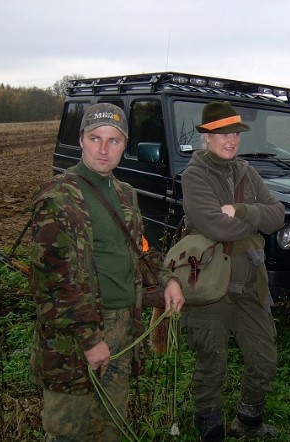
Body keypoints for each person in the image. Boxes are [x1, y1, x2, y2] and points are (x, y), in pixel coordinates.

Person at [29, 103, 185, 441]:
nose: (104, 149)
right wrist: (90, 340)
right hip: (77, 335)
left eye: (113, 140)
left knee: (111, 425)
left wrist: (168, 279)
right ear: (81, 140)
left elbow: (140, 250)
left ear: (124, 145)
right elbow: (53, 284)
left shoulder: (126, 195)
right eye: (95, 138)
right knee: (68, 430)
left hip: (123, 326)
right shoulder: (59, 197)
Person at [181, 101, 285, 440]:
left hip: (249, 282)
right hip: (210, 283)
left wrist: (241, 210)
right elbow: (216, 227)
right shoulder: (195, 174)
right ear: (207, 137)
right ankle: (210, 431)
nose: (231, 140)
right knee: (212, 362)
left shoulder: (246, 171)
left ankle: (248, 422)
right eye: (223, 134)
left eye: (235, 134)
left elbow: (277, 215)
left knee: (264, 359)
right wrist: (255, 223)